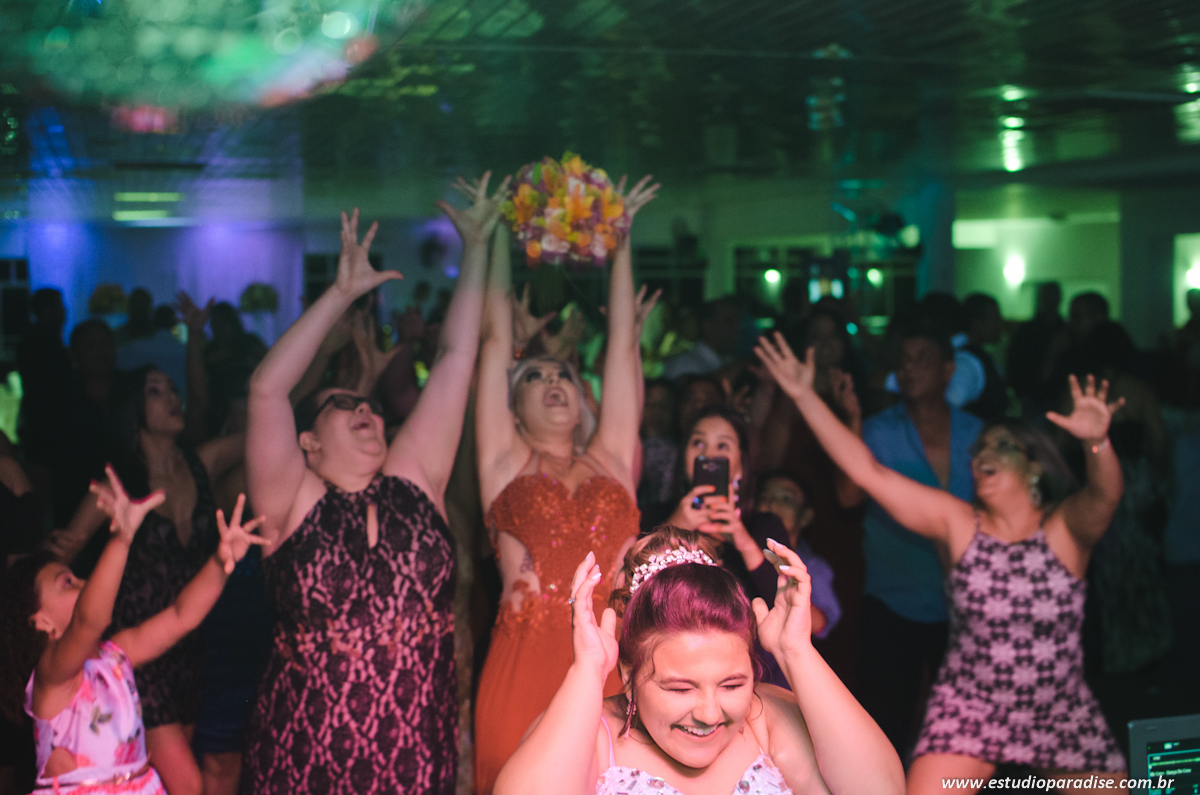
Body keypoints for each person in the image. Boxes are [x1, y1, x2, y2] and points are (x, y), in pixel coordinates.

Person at [755, 332, 1128, 794]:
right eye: (980, 449)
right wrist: (803, 395)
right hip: (972, 704)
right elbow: (869, 472)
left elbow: (1106, 494)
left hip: (1058, 705)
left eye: (1002, 447)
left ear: (1036, 467)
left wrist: (1098, 443)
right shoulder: (959, 523)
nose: (983, 455)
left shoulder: (1065, 529)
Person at [240, 177, 505, 795]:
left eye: (370, 404)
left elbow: (455, 360)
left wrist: (478, 246)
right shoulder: (291, 500)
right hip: (303, 754)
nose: (366, 410)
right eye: (342, 405)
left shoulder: (413, 478)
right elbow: (266, 390)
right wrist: (339, 294)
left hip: (416, 752)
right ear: (308, 441)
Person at [473, 175, 659, 795]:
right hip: (523, 665)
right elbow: (496, 339)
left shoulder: (611, 459)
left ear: (583, 401)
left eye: (563, 375)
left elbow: (624, 345)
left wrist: (622, 239)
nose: (554, 380)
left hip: (612, 661)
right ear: (513, 405)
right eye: (534, 377)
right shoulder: (504, 462)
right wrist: (501, 230)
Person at [492, 527, 905, 795]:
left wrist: (797, 651)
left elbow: (880, 790)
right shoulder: (593, 736)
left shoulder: (766, 717)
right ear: (629, 674)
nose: (710, 713)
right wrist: (586, 671)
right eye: (680, 687)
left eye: (732, 684)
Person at [42, 341, 244, 795]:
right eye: (155, 391)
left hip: (196, 647)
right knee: (189, 786)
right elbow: (57, 557)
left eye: (173, 388)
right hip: (138, 656)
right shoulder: (117, 485)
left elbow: (273, 424)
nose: (173, 397)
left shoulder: (201, 465)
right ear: (133, 408)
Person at [0, 466, 263, 795]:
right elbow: (88, 620)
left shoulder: (116, 654)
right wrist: (121, 538)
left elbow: (182, 616)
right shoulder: (51, 678)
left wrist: (222, 561)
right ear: (40, 622)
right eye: (67, 583)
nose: (83, 583)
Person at [842, 324, 984, 758]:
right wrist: (850, 423)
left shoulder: (980, 434)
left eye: (921, 357)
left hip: (966, 603)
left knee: (970, 726)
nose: (908, 368)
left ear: (948, 370)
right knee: (887, 723)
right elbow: (847, 496)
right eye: (902, 359)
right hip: (893, 598)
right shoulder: (878, 430)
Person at [654, 405, 839, 646]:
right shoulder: (655, 516)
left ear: (742, 464)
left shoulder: (766, 527)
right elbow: (630, 589)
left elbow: (788, 608)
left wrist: (743, 541)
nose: (708, 454)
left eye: (722, 446)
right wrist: (675, 526)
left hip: (756, 669)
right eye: (698, 443)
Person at [661, 297, 742, 380]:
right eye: (729, 322)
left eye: (739, 321)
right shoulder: (684, 365)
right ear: (708, 326)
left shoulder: (729, 362)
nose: (738, 328)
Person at [960, 293, 1008, 423]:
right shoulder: (966, 363)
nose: (1000, 324)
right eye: (995, 318)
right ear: (976, 324)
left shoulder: (981, 356)